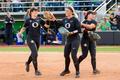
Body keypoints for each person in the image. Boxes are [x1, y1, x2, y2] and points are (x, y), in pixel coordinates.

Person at [51, 7, 81, 78]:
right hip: (68, 39)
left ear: (71, 12)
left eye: (67, 11)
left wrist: (72, 32)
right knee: (66, 55)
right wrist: (53, 17)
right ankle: (67, 70)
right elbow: (58, 24)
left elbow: (79, 30)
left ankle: (77, 71)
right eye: (66, 11)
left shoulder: (75, 19)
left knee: (73, 55)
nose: (66, 12)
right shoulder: (64, 20)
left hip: (75, 39)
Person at [18, 7, 49, 76]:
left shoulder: (40, 19)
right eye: (34, 11)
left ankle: (27, 63)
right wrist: (20, 32)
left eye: (36, 11)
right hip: (30, 38)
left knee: (34, 53)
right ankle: (36, 70)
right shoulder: (28, 20)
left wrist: (48, 19)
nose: (36, 13)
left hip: (37, 39)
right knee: (35, 53)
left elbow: (46, 26)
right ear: (31, 12)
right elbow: (24, 27)